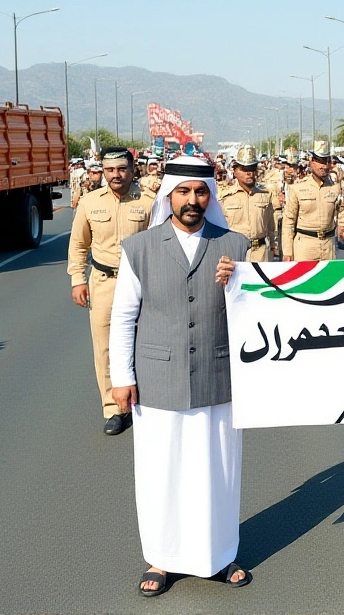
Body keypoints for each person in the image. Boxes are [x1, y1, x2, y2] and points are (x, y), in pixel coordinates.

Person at [108, 156, 252, 597]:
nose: (193, 200)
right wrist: (121, 376)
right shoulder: (139, 248)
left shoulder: (236, 246)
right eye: (184, 192)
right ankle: (161, 558)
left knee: (218, 471)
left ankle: (219, 555)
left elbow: (259, 309)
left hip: (218, 375)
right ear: (169, 195)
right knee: (162, 471)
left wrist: (240, 282)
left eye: (201, 192)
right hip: (158, 378)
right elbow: (123, 316)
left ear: (211, 196)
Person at [68, 148, 154, 436]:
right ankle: (115, 409)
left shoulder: (149, 202)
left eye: (121, 169)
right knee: (104, 347)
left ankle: (145, 400)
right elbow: (79, 244)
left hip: (142, 283)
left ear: (132, 169)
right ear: (103, 172)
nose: (116, 175)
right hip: (104, 281)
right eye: (109, 170)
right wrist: (77, 279)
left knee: (145, 343)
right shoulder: (90, 203)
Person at [283, 142, 341, 261]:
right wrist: (288, 251)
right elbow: (289, 221)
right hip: (305, 245)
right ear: (311, 162)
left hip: (328, 245)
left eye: (326, 162)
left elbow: (341, 214)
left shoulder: (335, 188)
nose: (323, 166)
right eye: (319, 161)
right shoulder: (298, 188)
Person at [218, 146, 275, 262]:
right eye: (244, 169)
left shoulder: (265, 195)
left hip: (260, 254)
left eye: (252, 168)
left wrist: (273, 246)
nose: (249, 173)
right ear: (235, 171)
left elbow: (270, 226)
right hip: (234, 253)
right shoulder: (225, 197)